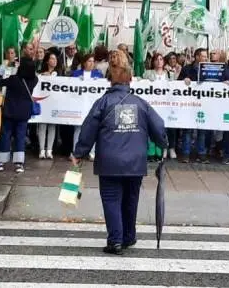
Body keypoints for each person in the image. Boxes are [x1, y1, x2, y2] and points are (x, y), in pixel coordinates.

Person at [71, 59, 167, 254]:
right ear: (130, 79)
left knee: (111, 199)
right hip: (135, 162)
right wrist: (163, 144)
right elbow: (158, 126)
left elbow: (88, 129)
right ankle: (128, 236)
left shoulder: (103, 103)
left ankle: (115, 239)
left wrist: (79, 152)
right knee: (131, 199)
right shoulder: (141, 103)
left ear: (110, 81)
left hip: (109, 161)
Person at [0, 57, 38, 173]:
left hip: (10, 112)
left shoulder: (13, 79)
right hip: (24, 113)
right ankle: (19, 164)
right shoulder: (34, 80)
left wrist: (1, 69)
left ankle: (1, 162)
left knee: (5, 136)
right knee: (20, 137)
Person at [178, 48, 211, 163]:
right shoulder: (187, 69)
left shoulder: (209, 69)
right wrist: (184, 80)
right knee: (188, 130)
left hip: (204, 104)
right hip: (190, 104)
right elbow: (178, 83)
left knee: (202, 130)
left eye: (206, 56)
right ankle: (186, 153)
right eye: (203, 56)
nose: (206, 58)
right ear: (197, 57)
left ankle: (201, 153)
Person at [36, 51, 62, 159]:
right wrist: (42, 75)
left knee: (52, 126)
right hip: (43, 102)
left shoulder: (60, 73)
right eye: (52, 59)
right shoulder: (40, 73)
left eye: (55, 59)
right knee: (42, 125)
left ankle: (49, 150)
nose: (54, 61)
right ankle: (42, 149)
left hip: (54, 103)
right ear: (47, 61)